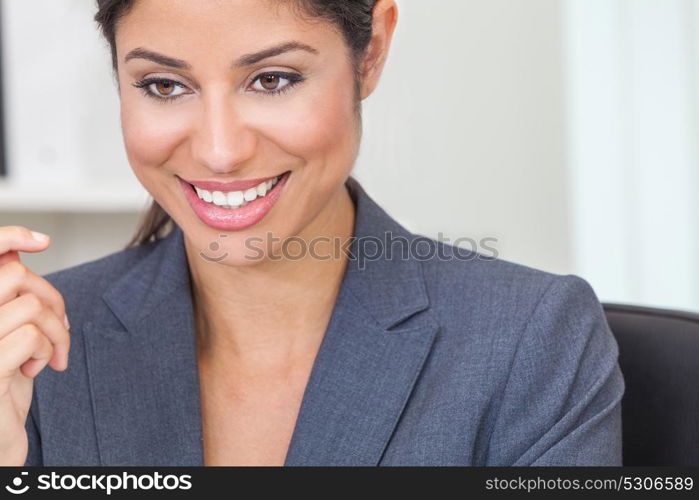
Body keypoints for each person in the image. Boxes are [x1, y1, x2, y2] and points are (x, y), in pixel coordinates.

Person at [0, 0, 624, 466]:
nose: (220, 152)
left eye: (272, 79)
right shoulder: (35, 350)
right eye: (165, 85)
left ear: (371, 51)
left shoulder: (529, 339)